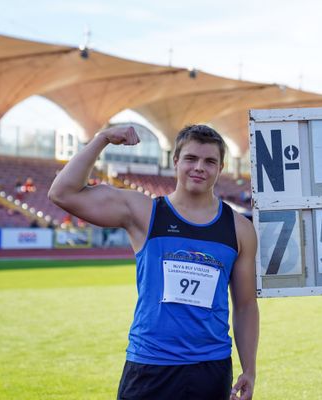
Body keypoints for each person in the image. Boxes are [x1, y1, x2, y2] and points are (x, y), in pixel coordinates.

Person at [48, 124, 259, 400]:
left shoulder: (239, 229)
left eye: (210, 161)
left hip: (211, 367)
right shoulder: (145, 212)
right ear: (175, 162)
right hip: (150, 365)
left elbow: (245, 305)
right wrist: (102, 139)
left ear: (220, 168)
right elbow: (62, 193)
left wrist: (250, 369)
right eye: (191, 159)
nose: (199, 167)